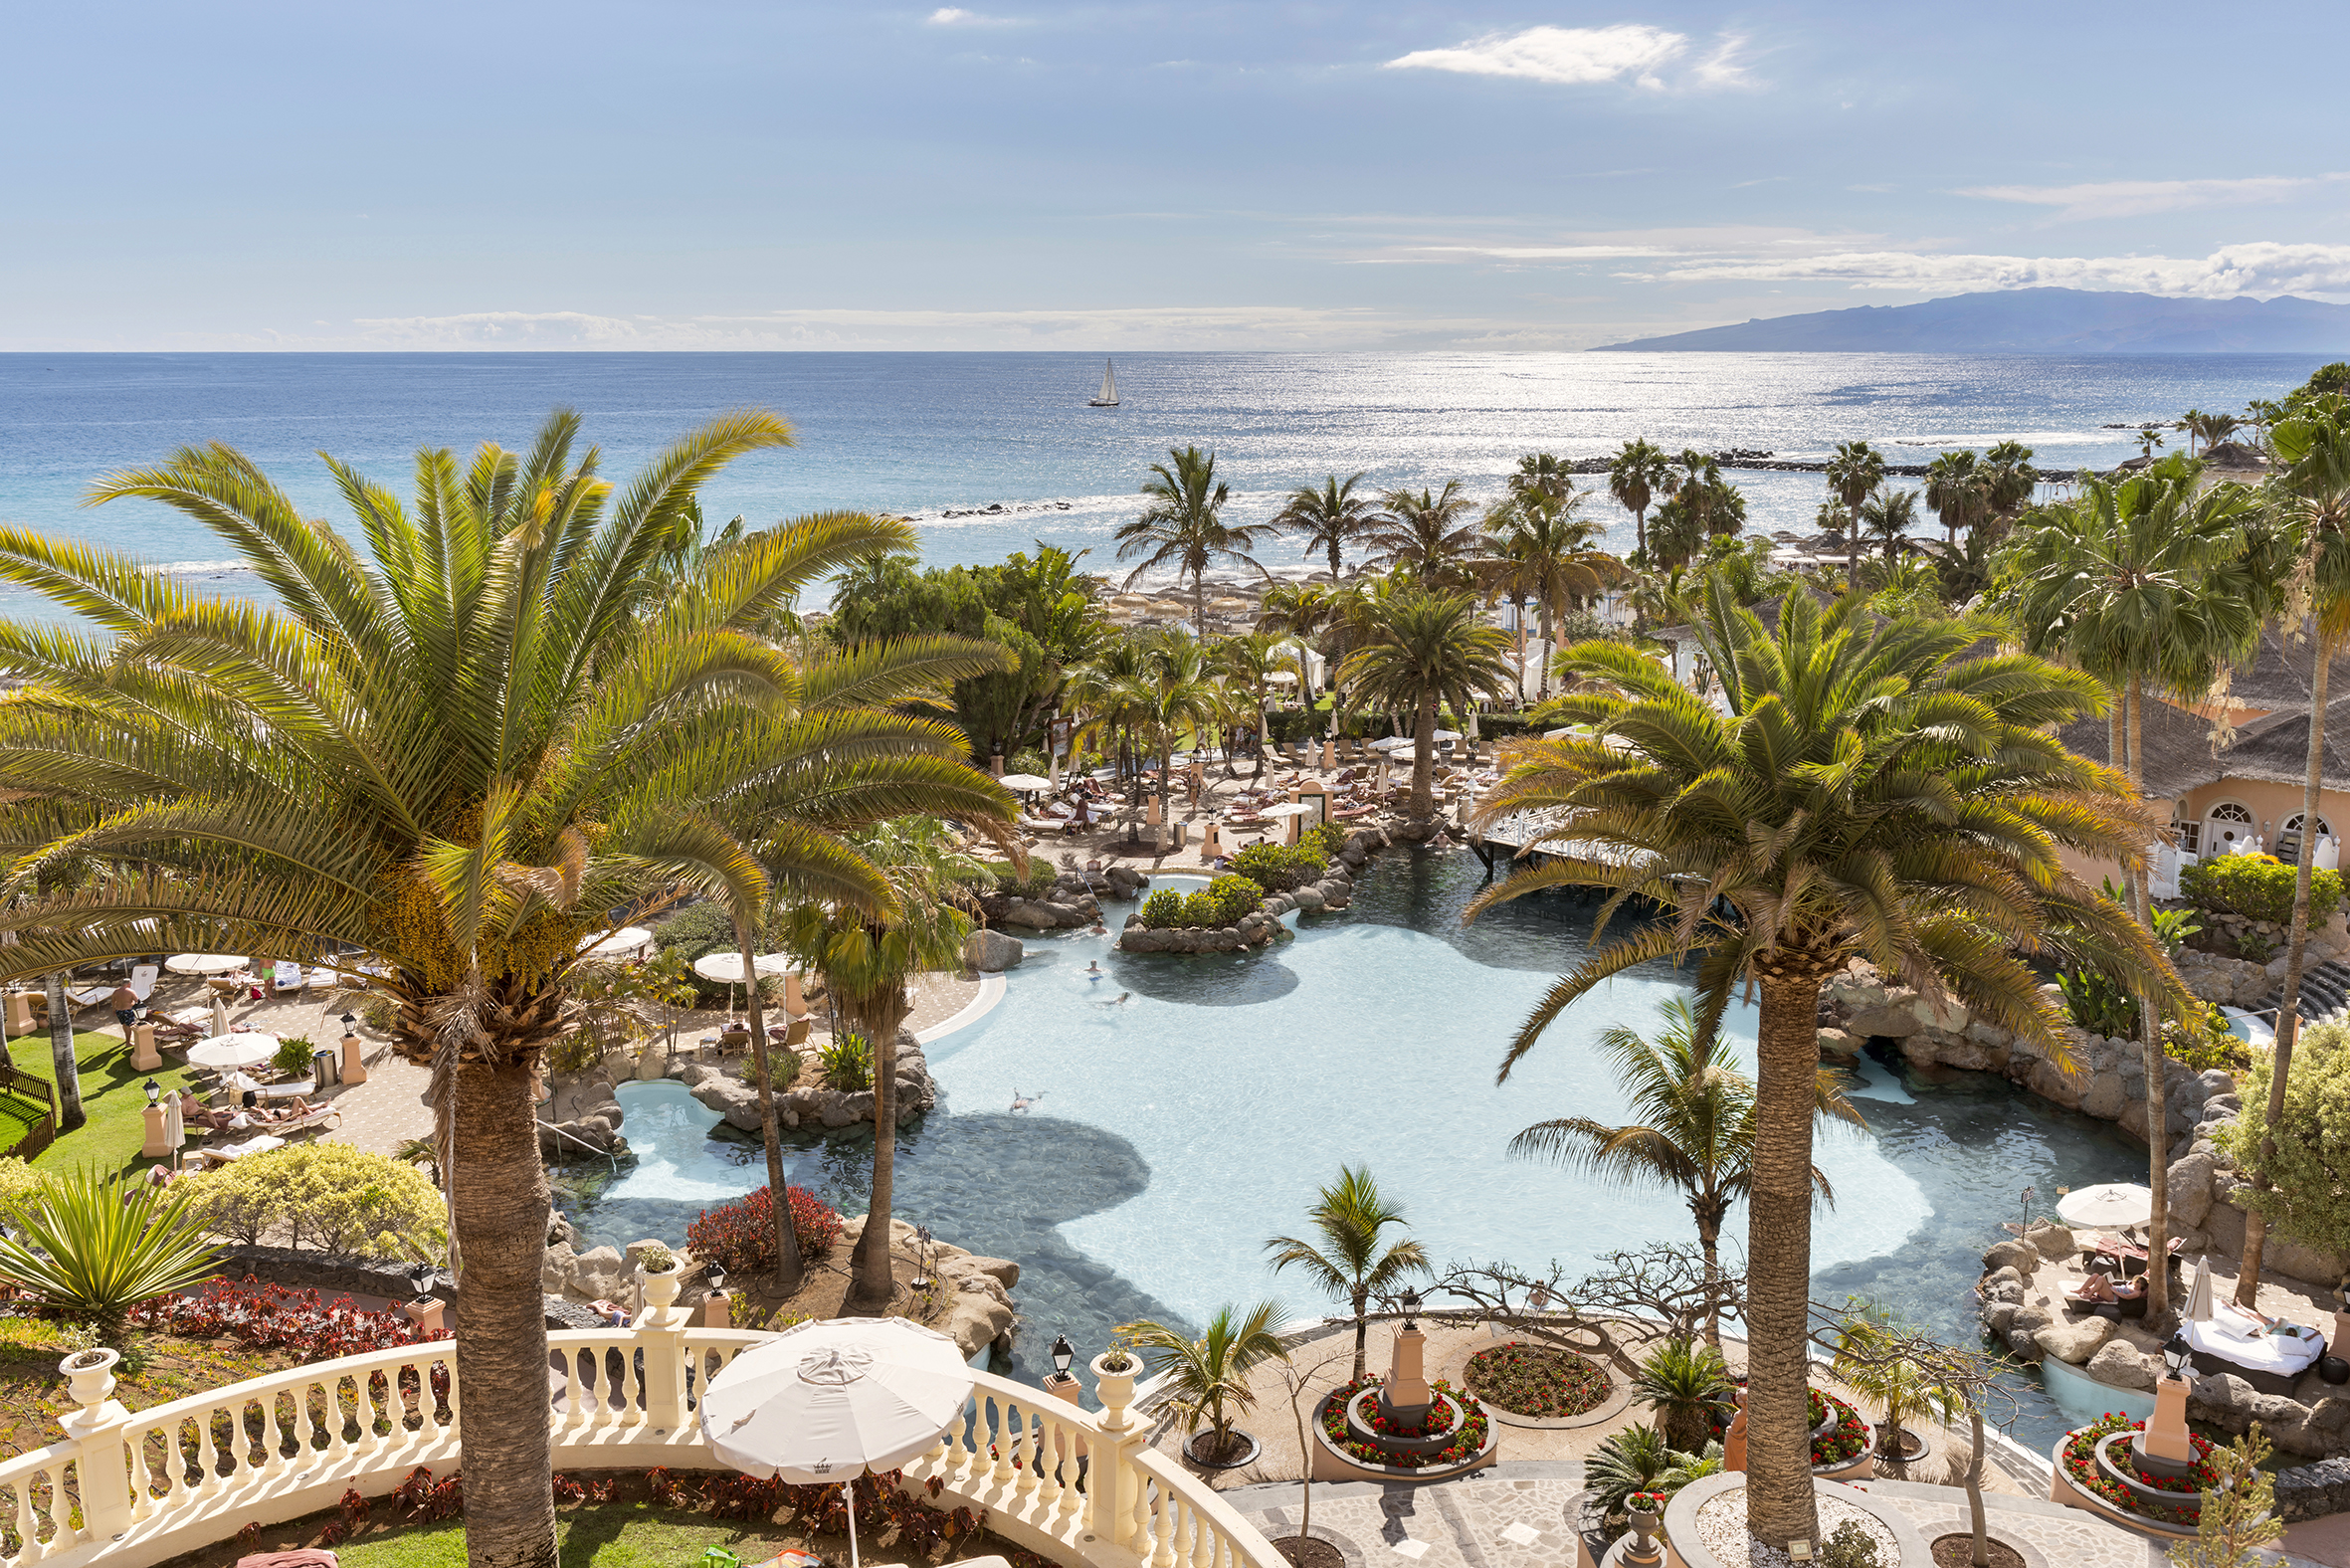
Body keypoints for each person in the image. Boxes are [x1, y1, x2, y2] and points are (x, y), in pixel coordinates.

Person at [2077, 1272, 2144, 1304]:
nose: (2135, 1281)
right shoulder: (2131, 1284)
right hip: (2111, 1291)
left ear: (2141, 1285)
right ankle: (2080, 1290)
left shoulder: (2137, 1292)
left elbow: (2126, 1297)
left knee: (2101, 1278)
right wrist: (2112, 1286)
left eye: (2137, 1281)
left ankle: (2089, 1294)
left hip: (2113, 1296)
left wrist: (2114, 1291)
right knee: (2096, 1275)